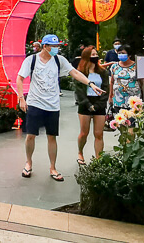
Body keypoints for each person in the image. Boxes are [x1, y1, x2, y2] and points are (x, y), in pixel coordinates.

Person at [16, 34, 104, 182]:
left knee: (52, 137)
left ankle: (53, 167)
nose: (56, 49)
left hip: (52, 105)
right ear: (45, 46)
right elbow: (20, 78)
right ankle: (28, 163)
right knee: (31, 135)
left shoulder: (59, 60)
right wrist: (21, 99)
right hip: (35, 103)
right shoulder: (31, 60)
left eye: (57, 46)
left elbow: (74, 73)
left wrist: (90, 83)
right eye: (54, 46)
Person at [74, 46, 110, 165]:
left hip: (99, 103)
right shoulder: (80, 73)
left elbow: (106, 88)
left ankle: (99, 158)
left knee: (99, 133)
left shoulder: (103, 72)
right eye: (92, 55)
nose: (95, 57)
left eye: (96, 54)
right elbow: (79, 91)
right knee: (84, 132)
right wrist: (88, 104)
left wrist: (100, 104)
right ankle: (80, 152)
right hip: (85, 103)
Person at [109, 45, 144, 110]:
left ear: (129, 55)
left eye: (123, 53)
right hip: (118, 99)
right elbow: (112, 82)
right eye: (119, 53)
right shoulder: (114, 66)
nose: (120, 55)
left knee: (132, 119)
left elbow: (142, 82)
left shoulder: (137, 66)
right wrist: (110, 96)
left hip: (133, 99)